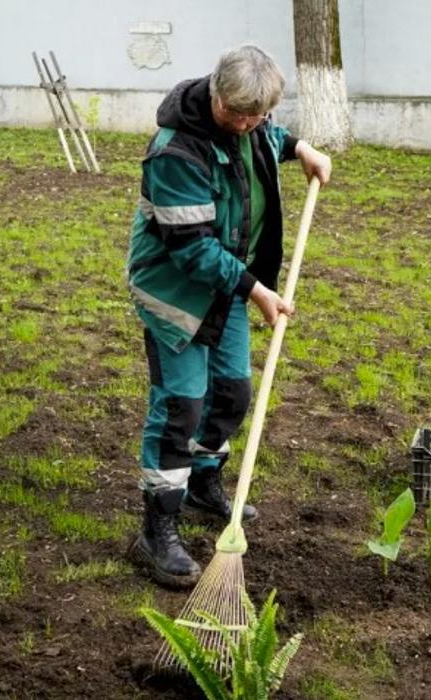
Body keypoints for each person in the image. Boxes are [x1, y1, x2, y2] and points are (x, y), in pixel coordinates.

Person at [125, 44, 332, 588]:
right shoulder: (175, 152)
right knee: (181, 407)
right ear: (214, 93)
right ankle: (157, 527)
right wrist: (257, 290)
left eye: (256, 116)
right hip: (178, 292)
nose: (245, 125)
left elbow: (271, 136)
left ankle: (202, 482)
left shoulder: (253, 123)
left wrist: (302, 148)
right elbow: (190, 249)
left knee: (234, 395)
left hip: (229, 284)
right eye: (236, 114)